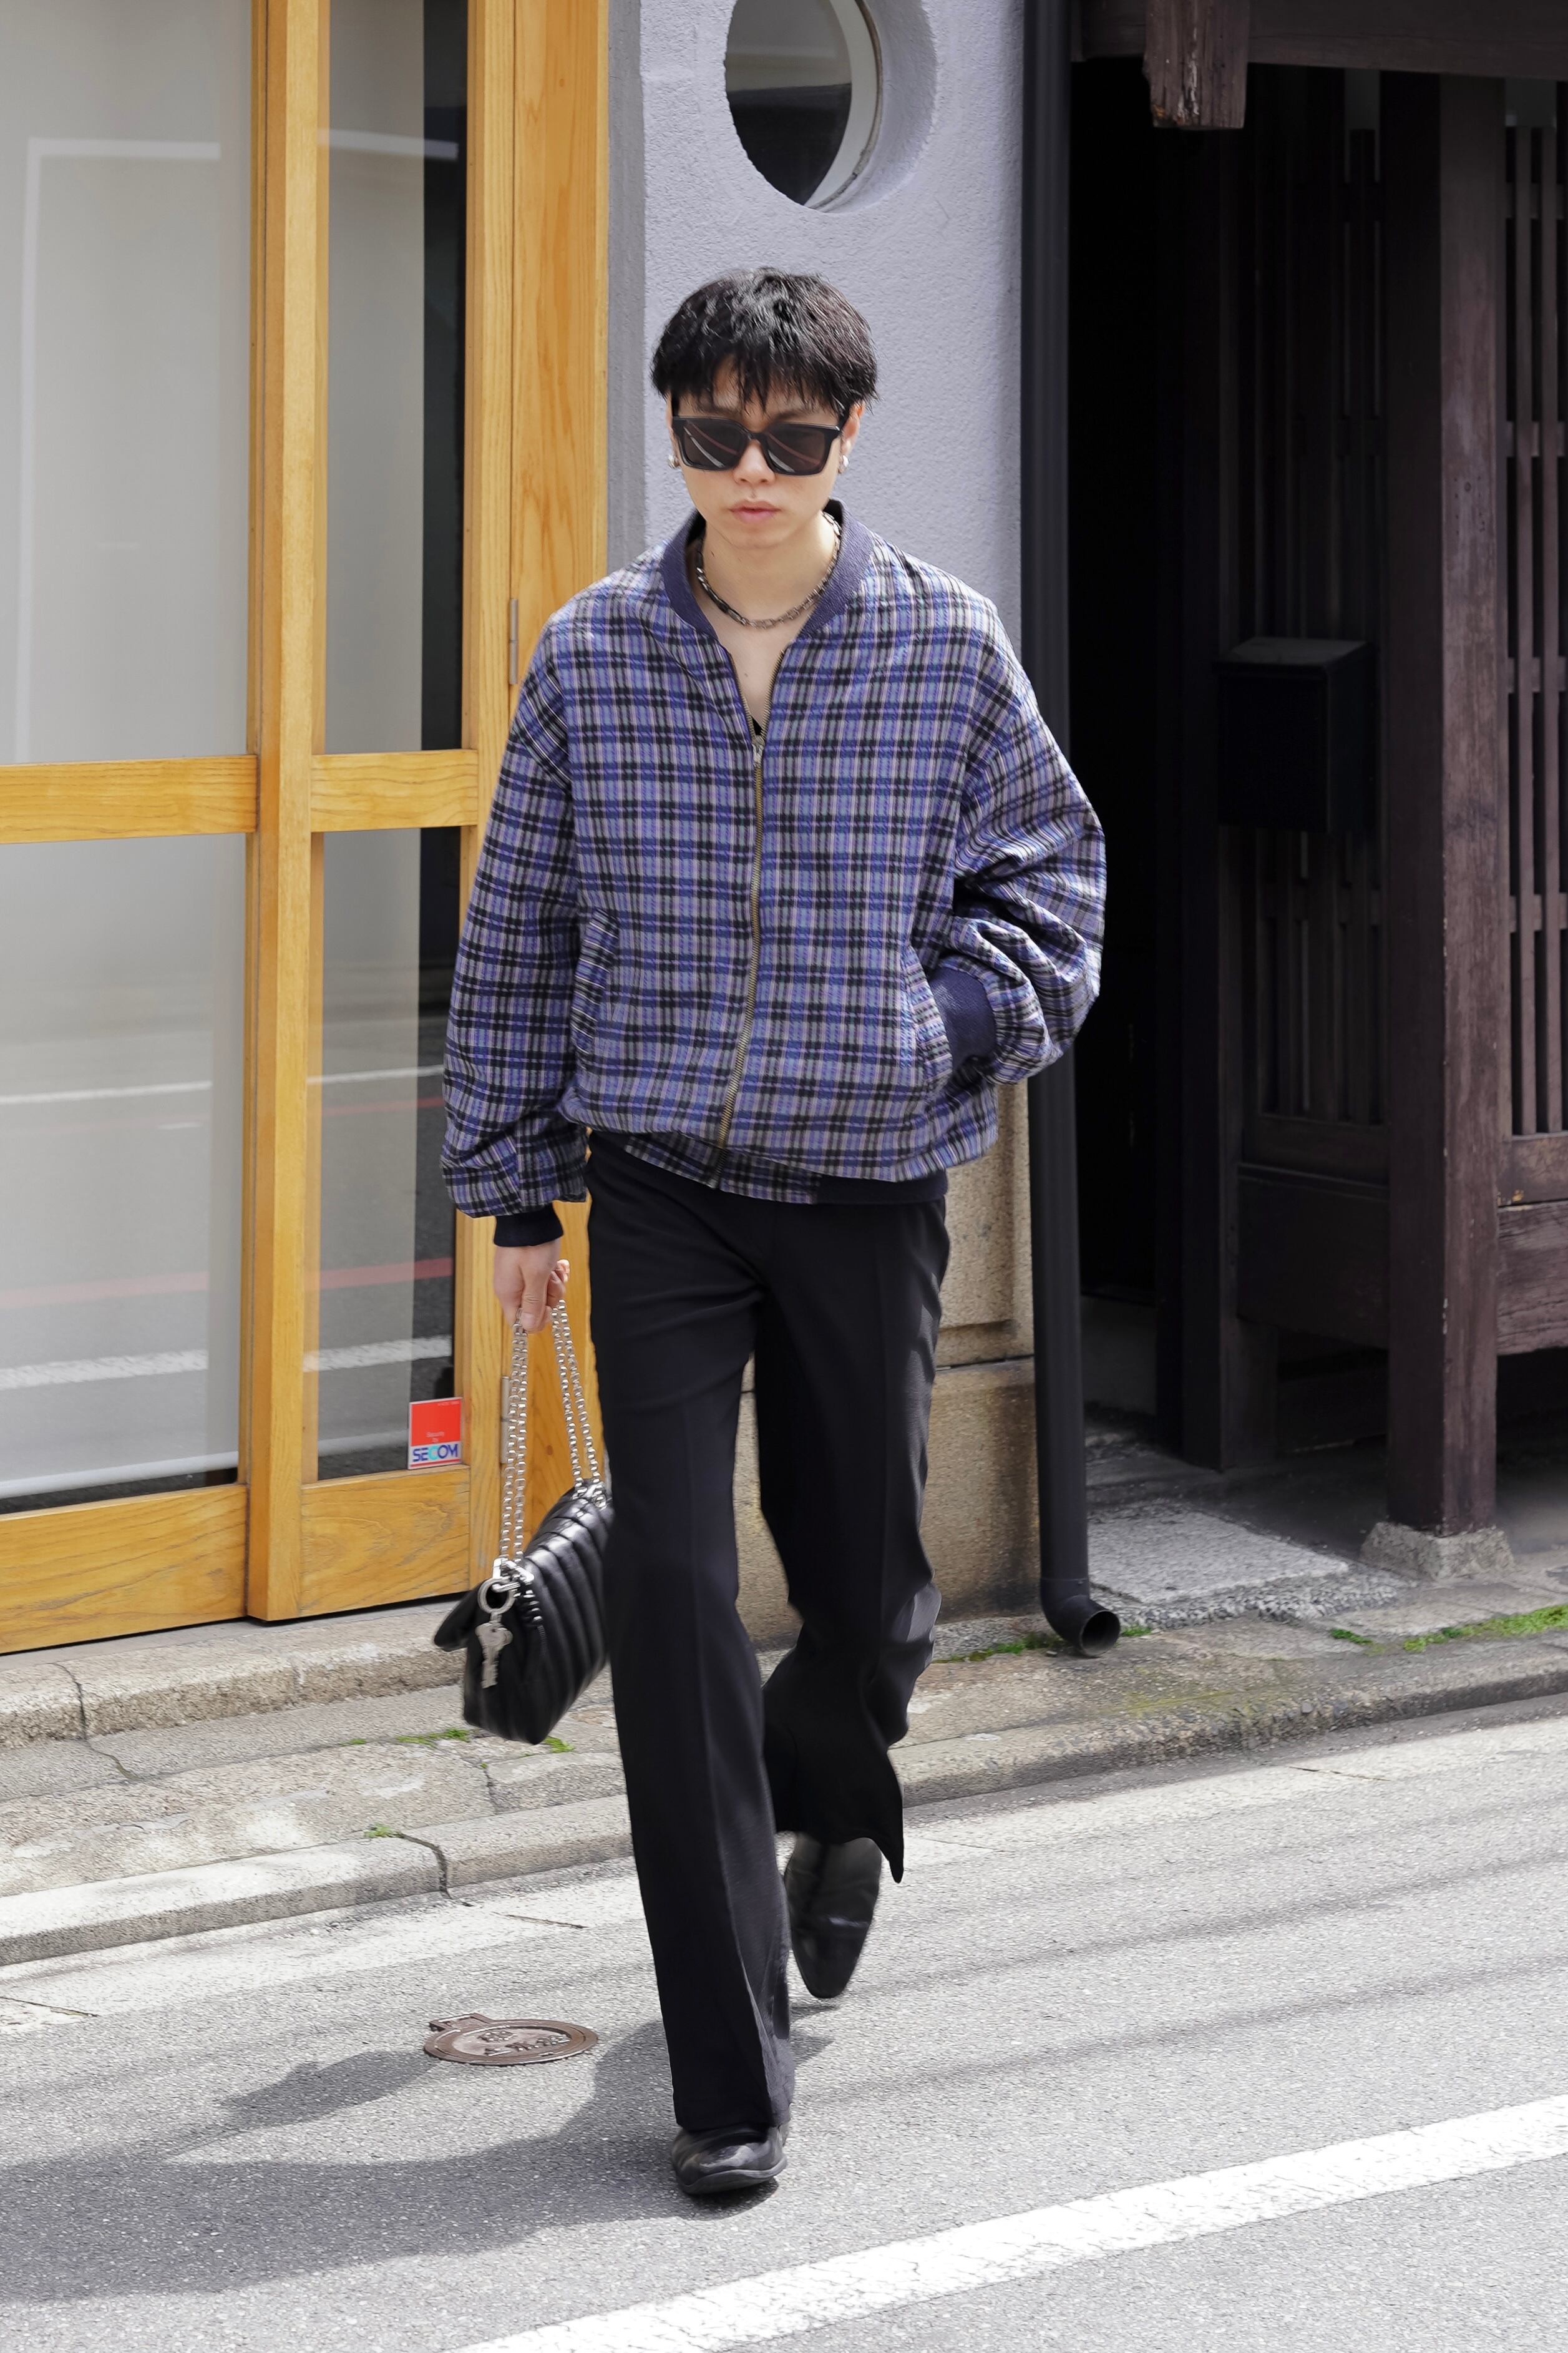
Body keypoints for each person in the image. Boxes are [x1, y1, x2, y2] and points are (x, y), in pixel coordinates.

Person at [443, 268, 1104, 2198]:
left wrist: (939, 1021)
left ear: (846, 436)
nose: (751, 469)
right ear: (673, 430)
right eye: (714, 432)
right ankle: (728, 2070)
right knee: (669, 1597)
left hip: (868, 1185)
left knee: (870, 1591)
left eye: (791, 435)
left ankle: (838, 1798)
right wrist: (513, 1191)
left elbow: (1056, 889)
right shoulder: (590, 655)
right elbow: (518, 928)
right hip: (657, 1186)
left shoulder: (942, 644)